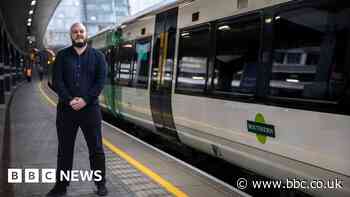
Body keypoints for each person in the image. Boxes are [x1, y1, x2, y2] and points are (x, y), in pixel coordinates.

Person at [47, 22, 108, 197]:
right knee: (64, 150)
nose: (78, 34)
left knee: (96, 149)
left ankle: (101, 183)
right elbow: (57, 81)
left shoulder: (98, 57)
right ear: (71, 35)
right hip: (66, 111)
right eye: (75, 32)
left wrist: (85, 100)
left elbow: (100, 82)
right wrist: (69, 100)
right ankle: (61, 187)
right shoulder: (62, 56)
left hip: (91, 111)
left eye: (81, 31)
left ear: (86, 34)